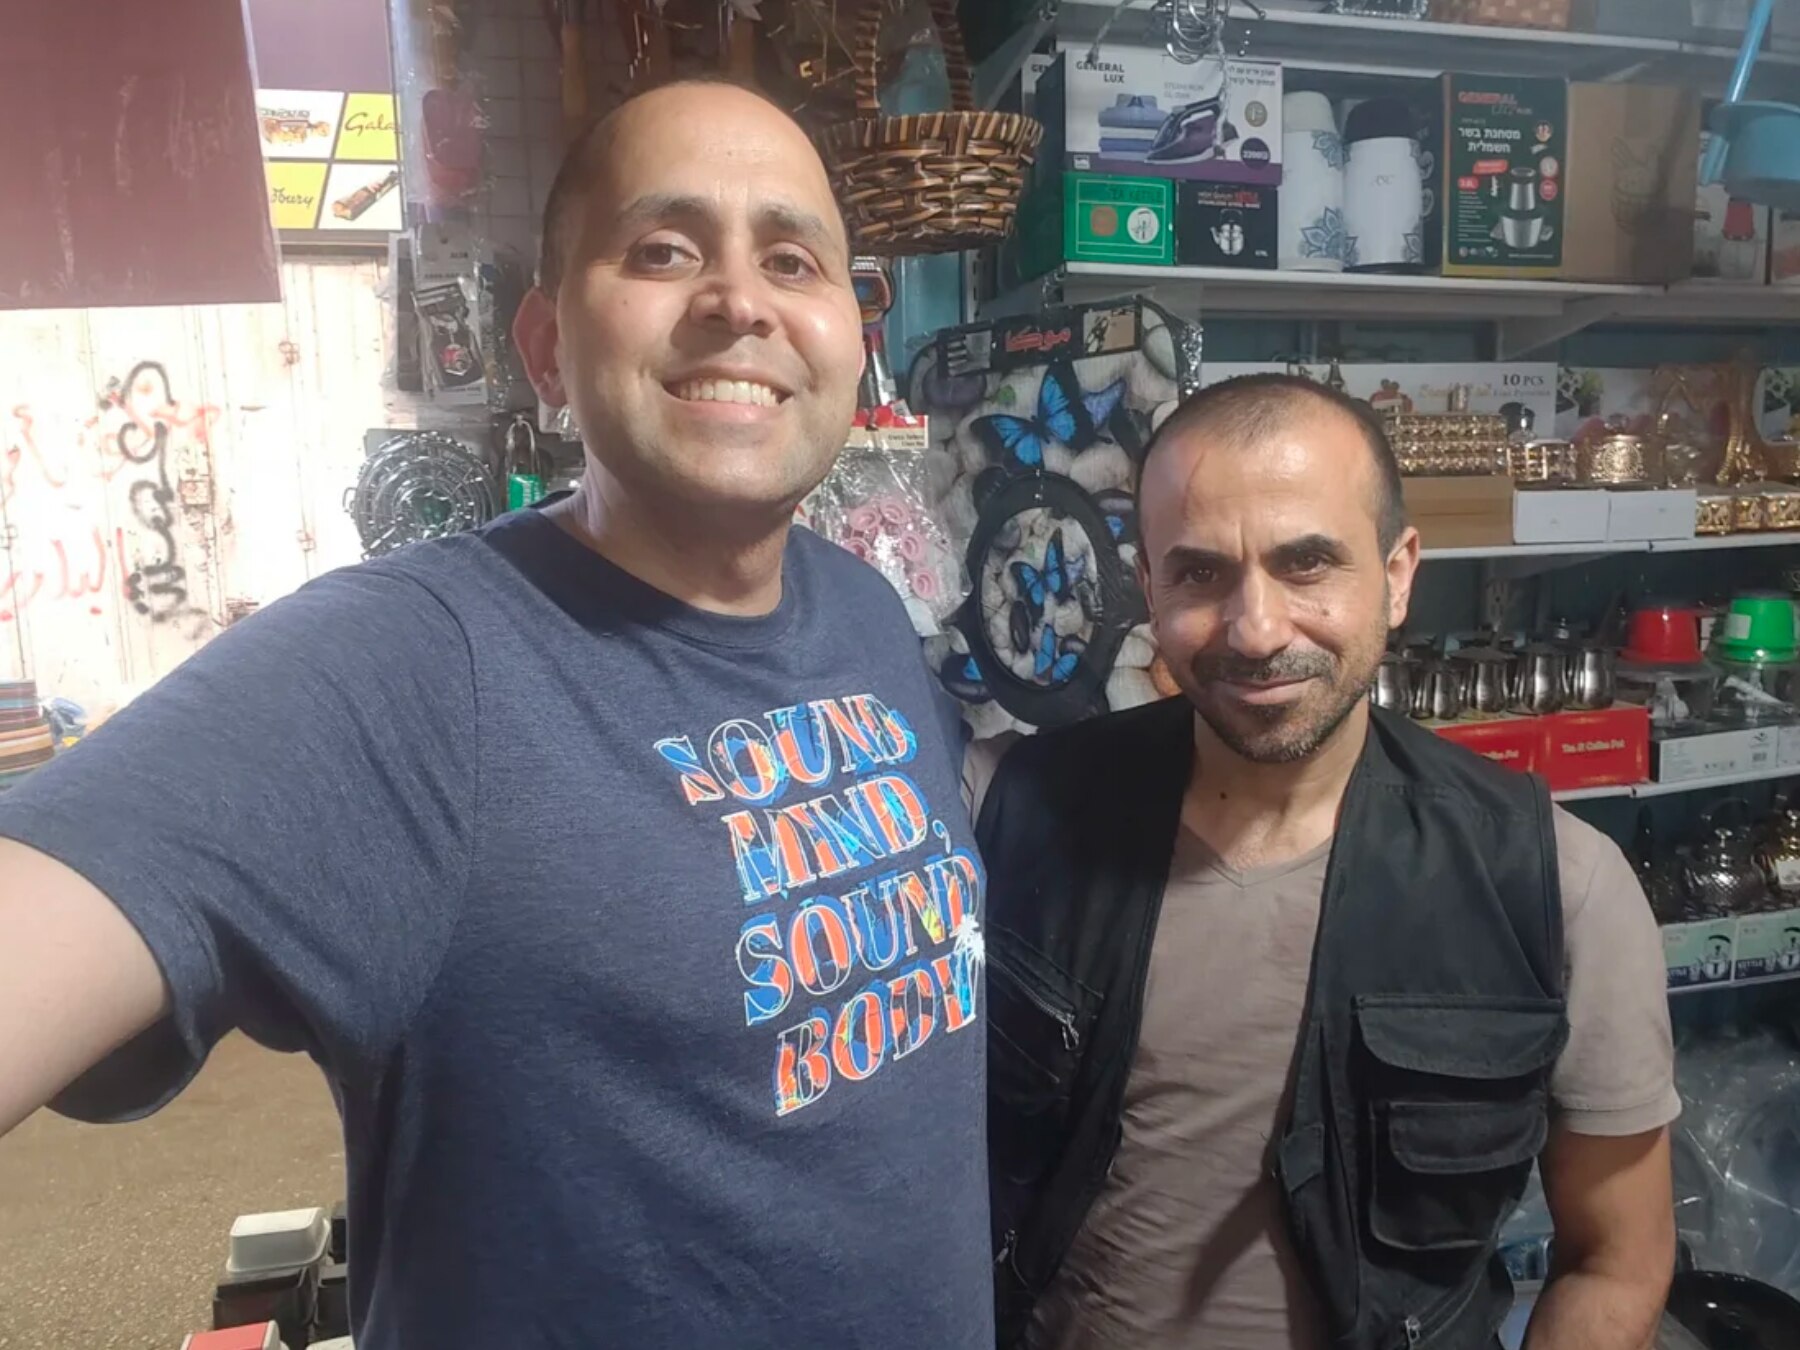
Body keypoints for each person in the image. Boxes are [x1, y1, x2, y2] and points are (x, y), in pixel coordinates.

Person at [0, 79, 992, 1348]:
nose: (740, 300)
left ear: (853, 340)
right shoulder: (412, 665)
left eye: (791, 258)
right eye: (663, 249)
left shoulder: (864, 614)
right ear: (544, 348)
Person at [977, 374, 1677, 1350]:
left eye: (1308, 565)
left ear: (1396, 576)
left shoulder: (1559, 887)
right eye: (1200, 574)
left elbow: (1618, 1260)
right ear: (1149, 588)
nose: (1257, 632)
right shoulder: (1016, 820)